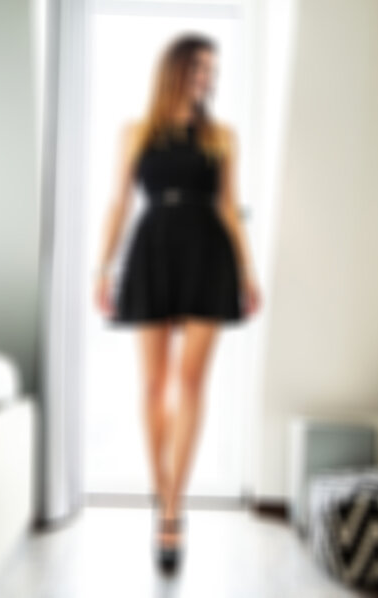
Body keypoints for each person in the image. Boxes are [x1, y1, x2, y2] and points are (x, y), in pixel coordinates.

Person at [93, 32, 263, 574]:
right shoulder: (134, 132)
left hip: (208, 253)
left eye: (212, 70)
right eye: (198, 68)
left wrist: (249, 271)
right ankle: (162, 487)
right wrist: (103, 267)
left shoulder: (222, 136)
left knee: (190, 383)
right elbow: (118, 204)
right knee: (153, 385)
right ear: (175, 70)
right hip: (152, 250)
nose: (207, 79)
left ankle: (172, 508)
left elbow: (230, 208)